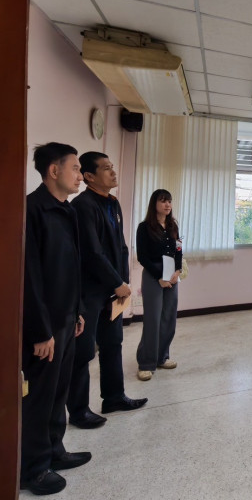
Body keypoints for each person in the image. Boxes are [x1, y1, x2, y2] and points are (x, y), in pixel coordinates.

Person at [21, 143, 91, 495]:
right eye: (75, 168)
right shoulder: (32, 210)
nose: (80, 176)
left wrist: (77, 310)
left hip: (66, 318)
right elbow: (29, 277)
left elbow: (72, 266)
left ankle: (55, 451)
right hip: (44, 327)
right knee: (39, 397)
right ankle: (33, 470)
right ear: (53, 170)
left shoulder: (66, 210)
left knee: (58, 391)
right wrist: (40, 331)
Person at [68, 152, 147, 426]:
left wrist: (123, 282)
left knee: (113, 343)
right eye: (106, 168)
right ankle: (78, 411)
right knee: (83, 352)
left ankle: (114, 397)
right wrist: (117, 282)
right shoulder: (83, 206)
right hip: (90, 291)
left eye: (112, 167)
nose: (113, 172)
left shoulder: (112, 203)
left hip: (114, 290)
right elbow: (92, 252)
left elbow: (120, 247)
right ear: (89, 176)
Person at [136, 189, 182, 381]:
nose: (167, 205)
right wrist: (159, 277)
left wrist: (178, 271)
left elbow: (178, 250)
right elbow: (142, 257)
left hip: (171, 276)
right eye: (163, 201)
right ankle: (146, 363)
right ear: (154, 204)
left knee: (168, 318)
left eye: (169, 201)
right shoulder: (144, 227)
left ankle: (162, 357)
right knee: (153, 320)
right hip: (153, 276)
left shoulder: (173, 226)